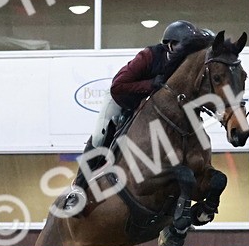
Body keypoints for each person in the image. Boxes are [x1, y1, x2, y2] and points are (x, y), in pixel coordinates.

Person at [67, 20, 207, 197]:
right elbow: (118, 86)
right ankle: (77, 189)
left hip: (151, 109)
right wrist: (150, 84)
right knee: (100, 137)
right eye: (183, 47)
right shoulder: (149, 56)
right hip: (123, 101)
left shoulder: (184, 66)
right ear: (170, 45)